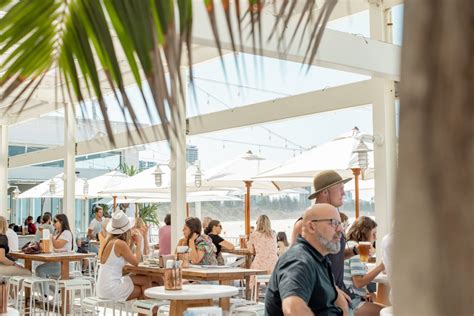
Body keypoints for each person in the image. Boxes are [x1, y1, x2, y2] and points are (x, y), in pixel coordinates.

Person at [265, 204, 349, 316]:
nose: (341, 229)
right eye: (334, 223)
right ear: (311, 227)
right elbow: (293, 309)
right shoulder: (299, 260)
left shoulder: (318, 258)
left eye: (340, 224)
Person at [291, 170, 359, 304]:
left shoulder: (333, 222)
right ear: (325, 192)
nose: (344, 193)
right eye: (340, 189)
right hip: (324, 299)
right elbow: (295, 265)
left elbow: (333, 255)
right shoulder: (305, 224)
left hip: (340, 295)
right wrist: (332, 289)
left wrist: (354, 251)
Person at [97, 210, 151, 301]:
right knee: (146, 281)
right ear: (126, 230)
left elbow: (124, 255)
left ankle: (147, 313)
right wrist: (139, 242)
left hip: (102, 287)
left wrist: (132, 242)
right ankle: (151, 312)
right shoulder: (120, 243)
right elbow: (136, 262)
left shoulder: (110, 241)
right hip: (111, 288)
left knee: (143, 285)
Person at [344, 216, 385, 316]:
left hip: (349, 300)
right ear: (365, 233)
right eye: (373, 234)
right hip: (353, 304)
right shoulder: (356, 251)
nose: (375, 238)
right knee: (389, 312)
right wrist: (381, 267)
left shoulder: (349, 246)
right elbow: (358, 283)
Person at [35, 214, 75, 281]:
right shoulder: (57, 233)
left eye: (55, 221)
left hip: (63, 265)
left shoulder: (67, 233)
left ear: (62, 222)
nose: (53, 223)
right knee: (40, 269)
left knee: (40, 269)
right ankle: (49, 290)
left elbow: (57, 245)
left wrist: (49, 235)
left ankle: (46, 291)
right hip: (56, 262)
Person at [247, 215, 278, 288]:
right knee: (269, 280)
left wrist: (247, 242)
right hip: (274, 264)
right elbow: (275, 249)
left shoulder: (254, 234)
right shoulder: (273, 234)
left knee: (254, 275)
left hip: (260, 263)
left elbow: (251, 251)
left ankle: (255, 297)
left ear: (258, 223)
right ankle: (270, 296)